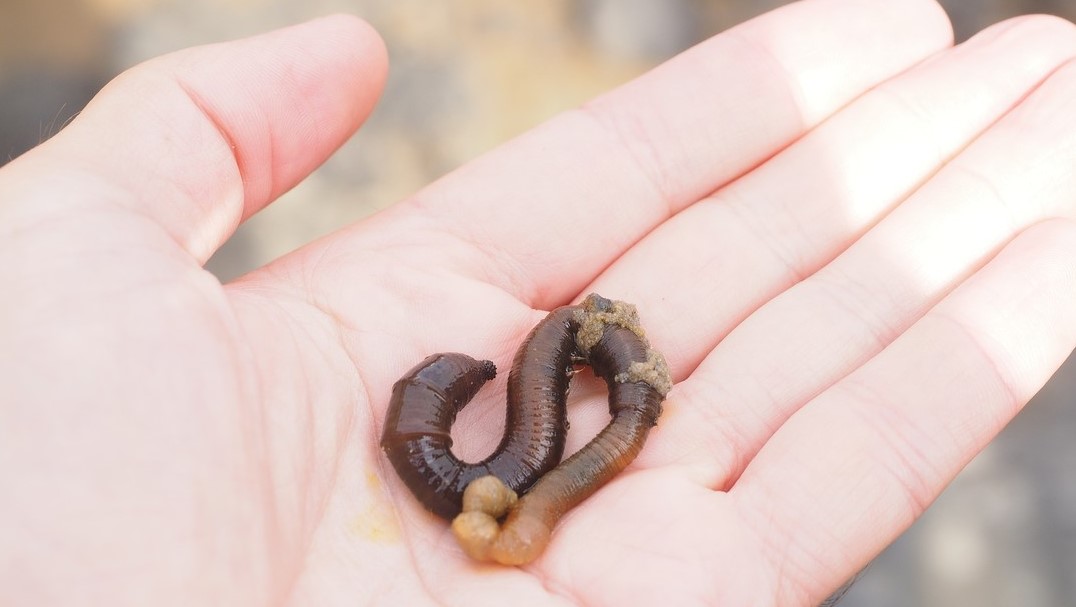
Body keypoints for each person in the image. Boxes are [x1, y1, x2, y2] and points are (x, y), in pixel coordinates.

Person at [3, 1, 1075, 604]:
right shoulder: (494, 475)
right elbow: (488, 470)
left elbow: (499, 467)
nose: (497, 514)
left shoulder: (510, 459)